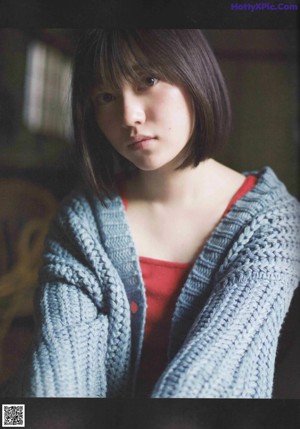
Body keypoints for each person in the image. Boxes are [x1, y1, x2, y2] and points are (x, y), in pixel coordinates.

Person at [2, 29, 300, 398]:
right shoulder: (81, 222)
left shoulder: (272, 224)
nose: (129, 116)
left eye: (149, 80)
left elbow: (212, 381)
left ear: (195, 75)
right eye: (106, 97)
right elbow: (62, 376)